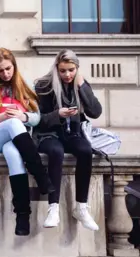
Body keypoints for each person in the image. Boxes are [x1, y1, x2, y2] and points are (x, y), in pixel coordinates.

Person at [0, 48, 54, 236]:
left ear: (14, 66)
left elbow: (37, 117)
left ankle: (22, 215)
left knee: (13, 153)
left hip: (14, 139)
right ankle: (41, 175)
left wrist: (23, 116)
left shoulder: (23, 87)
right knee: (12, 123)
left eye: (8, 68)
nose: (6, 73)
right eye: (1, 70)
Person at [35, 49, 102, 230]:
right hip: (48, 135)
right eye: (63, 70)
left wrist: (82, 86)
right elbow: (37, 120)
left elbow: (95, 112)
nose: (67, 74)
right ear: (57, 68)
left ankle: (81, 207)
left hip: (72, 133)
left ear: (77, 68)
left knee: (85, 151)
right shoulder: (44, 86)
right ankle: (53, 208)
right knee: (56, 152)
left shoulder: (80, 84)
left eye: (71, 70)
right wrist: (58, 114)